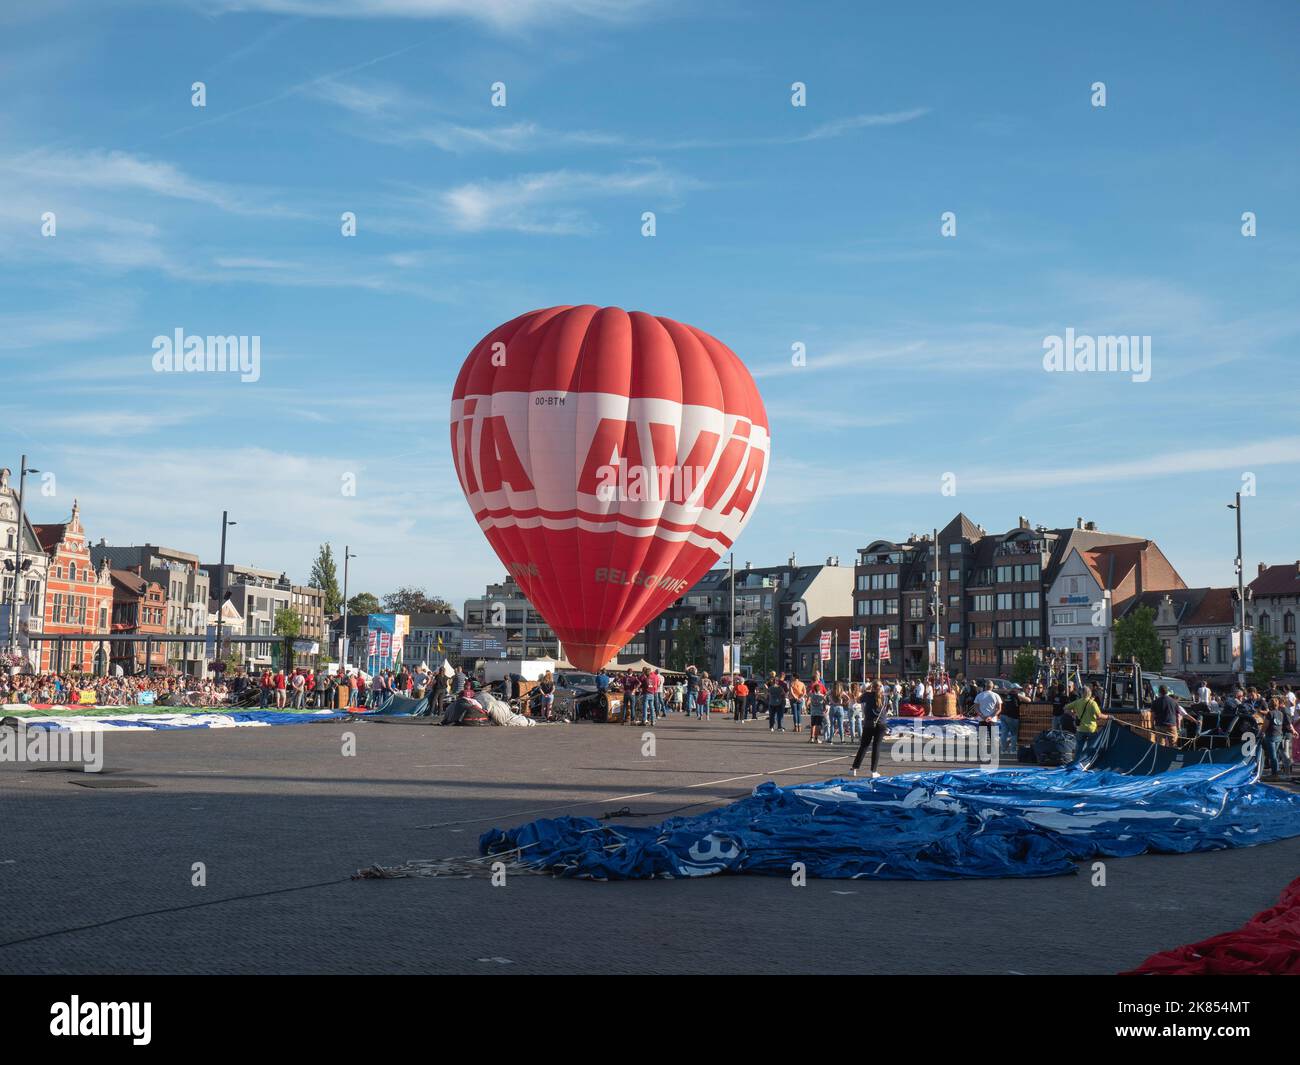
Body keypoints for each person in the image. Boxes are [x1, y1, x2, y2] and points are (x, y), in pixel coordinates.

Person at [851, 679, 887, 778]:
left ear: (872, 687)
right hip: (881, 724)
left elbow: (857, 700)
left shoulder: (867, 695)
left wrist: (866, 689)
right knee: (876, 747)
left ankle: (854, 768)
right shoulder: (885, 697)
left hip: (868, 724)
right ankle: (873, 771)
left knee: (864, 746)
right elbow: (885, 709)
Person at [972, 679, 1002, 748]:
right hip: (992, 719)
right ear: (992, 687)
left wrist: (982, 715)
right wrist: (991, 716)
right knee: (993, 736)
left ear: (985, 686)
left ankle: (981, 750)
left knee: (982, 736)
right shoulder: (996, 696)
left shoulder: (979, 695)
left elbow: (976, 708)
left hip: (982, 719)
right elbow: (999, 709)